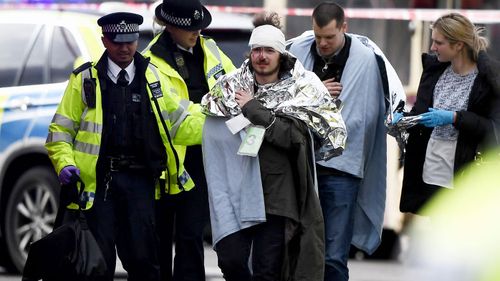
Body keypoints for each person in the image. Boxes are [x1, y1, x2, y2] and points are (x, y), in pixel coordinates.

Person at [45, 12, 204, 281]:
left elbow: (181, 123)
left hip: (141, 184)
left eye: (130, 41)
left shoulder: (153, 78)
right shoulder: (85, 80)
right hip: (98, 186)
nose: (125, 48)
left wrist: (220, 123)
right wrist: (65, 164)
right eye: (117, 41)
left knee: (145, 263)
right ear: (105, 40)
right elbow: (60, 131)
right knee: (97, 265)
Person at [201, 12, 347, 281]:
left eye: (269, 50)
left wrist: (254, 109)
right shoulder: (230, 87)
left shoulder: (301, 88)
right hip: (237, 193)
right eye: (257, 50)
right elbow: (213, 132)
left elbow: (294, 139)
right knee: (231, 261)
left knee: (268, 270)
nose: (262, 56)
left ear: (281, 54)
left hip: (277, 197)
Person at [287, 2, 392, 280]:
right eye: (318, 36)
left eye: (329, 37)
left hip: (342, 169)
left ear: (344, 28)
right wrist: (316, 93)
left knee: (333, 255)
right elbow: (281, 100)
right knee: (296, 248)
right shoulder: (297, 51)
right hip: (301, 164)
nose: (322, 43)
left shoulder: (365, 60)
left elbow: (366, 117)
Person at [142, 0, 236, 279]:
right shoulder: (151, 62)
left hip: (201, 162)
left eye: (199, 27)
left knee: (191, 236)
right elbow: (173, 121)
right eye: (189, 28)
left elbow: (236, 86)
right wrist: (217, 117)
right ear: (170, 27)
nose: (196, 33)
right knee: (159, 239)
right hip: (166, 163)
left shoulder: (211, 49)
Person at [397, 12, 500, 214]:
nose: (433, 48)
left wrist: (455, 117)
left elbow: (494, 130)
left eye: (439, 42)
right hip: (431, 171)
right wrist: (404, 120)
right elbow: (422, 113)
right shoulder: (434, 72)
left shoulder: (487, 81)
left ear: (458, 45)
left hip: (466, 176)